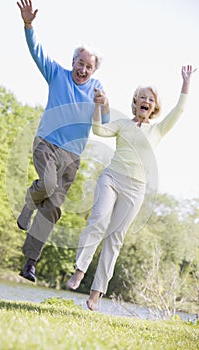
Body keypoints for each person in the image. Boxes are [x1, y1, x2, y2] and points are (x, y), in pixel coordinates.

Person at [66, 65, 196, 310]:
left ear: (154, 107)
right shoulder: (122, 124)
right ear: (135, 102)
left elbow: (180, 110)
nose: (145, 101)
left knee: (114, 238)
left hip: (136, 188)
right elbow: (98, 130)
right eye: (142, 97)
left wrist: (186, 83)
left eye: (150, 99)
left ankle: (96, 293)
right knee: (98, 219)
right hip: (112, 178)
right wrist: (97, 107)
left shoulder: (158, 129)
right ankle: (80, 270)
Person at [16, 0, 110, 282]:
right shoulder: (57, 73)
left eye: (88, 67)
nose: (82, 70)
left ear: (94, 70)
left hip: (72, 157)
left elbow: (102, 125)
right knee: (47, 184)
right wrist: (29, 25)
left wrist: (103, 105)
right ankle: (28, 201)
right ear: (72, 62)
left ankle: (30, 262)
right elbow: (36, 52)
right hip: (47, 143)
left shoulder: (97, 89)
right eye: (79, 64)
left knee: (53, 207)